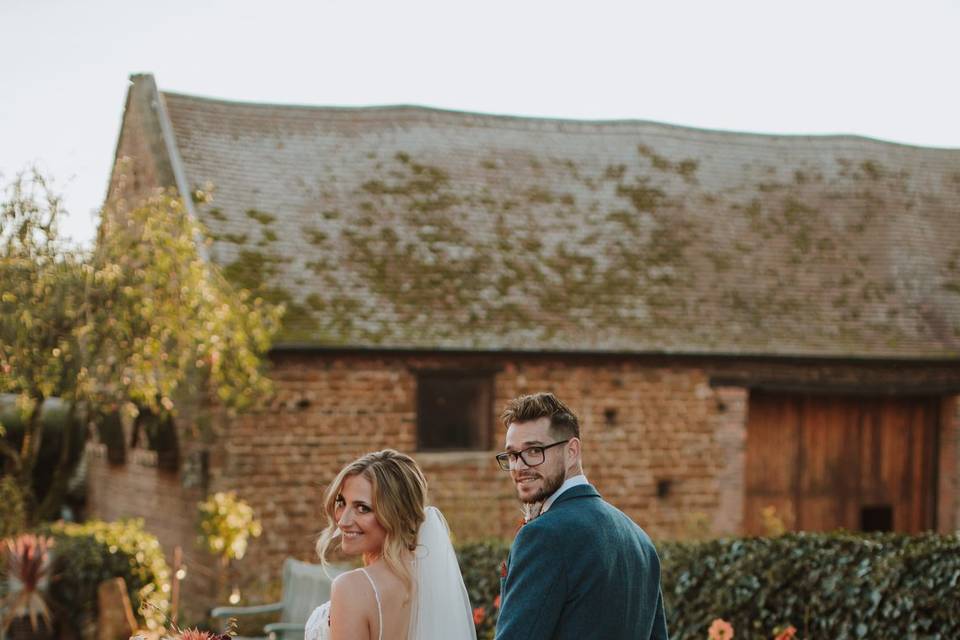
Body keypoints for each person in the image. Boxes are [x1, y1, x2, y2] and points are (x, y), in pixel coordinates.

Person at [494, 393, 669, 640]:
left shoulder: (543, 535)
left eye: (534, 451)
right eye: (512, 455)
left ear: (572, 451)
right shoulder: (640, 540)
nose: (519, 467)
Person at [305, 449, 477, 640]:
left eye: (363, 508)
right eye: (341, 502)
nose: (343, 521)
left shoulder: (351, 588)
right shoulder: (432, 580)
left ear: (397, 515)